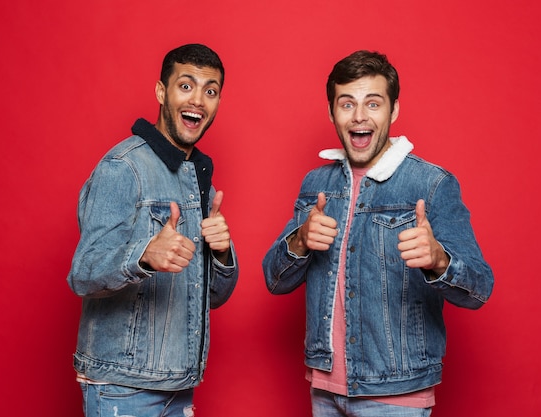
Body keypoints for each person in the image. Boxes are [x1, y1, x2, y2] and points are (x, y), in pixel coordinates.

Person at [262, 50, 494, 417]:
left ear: (394, 110)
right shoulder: (315, 185)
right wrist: (300, 240)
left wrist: (439, 261)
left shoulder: (431, 184)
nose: (359, 116)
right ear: (331, 112)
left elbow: (480, 288)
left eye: (373, 103)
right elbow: (274, 281)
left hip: (395, 394)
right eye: (347, 104)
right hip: (324, 388)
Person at [67, 43, 239, 417]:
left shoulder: (196, 176)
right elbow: (83, 274)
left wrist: (222, 252)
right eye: (186, 85)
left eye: (210, 91)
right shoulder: (123, 167)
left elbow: (210, 297)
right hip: (123, 387)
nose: (198, 100)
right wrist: (143, 255)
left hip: (177, 384)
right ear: (162, 92)